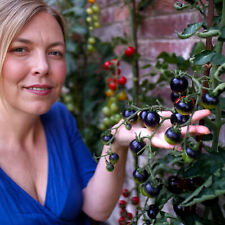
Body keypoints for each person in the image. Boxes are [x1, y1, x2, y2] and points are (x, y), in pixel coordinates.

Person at [0, 0, 211, 224]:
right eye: (20, 49)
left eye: (55, 52)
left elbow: (95, 208)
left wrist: (116, 140)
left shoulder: (59, 117)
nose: (42, 66)